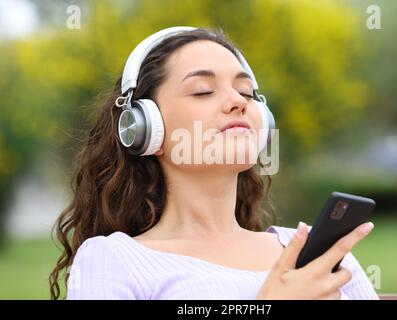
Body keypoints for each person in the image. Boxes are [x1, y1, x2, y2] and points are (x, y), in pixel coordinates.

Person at [49, 26, 378, 300]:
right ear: (145, 128)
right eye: (203, 91)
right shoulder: (113, 261)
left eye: (246, 93)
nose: (237, 102)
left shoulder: (323, 256)